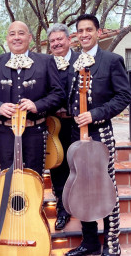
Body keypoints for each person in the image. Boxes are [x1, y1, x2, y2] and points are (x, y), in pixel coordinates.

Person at [65, 14, 131, 256]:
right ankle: (90, 241)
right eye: (80, 31)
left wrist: (95, 114)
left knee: (106, 185)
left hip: (100, 132)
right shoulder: (75, 62)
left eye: (88, 30)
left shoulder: (111, 60)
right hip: (75, 133)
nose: (84, 34)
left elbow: (124, 97)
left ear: (98, 32)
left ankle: (112, 243)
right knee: (79, 187)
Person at [0, 20, 64, 175]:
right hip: (5, 131)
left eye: (21, 33)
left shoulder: (46, 61)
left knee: (34, 177)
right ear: (7, 38)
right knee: (7, 177)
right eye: (12, 34)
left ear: (30, 37)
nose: (16, 37)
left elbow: (58, 94)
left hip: (36, 131)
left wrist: (37, 105)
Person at [47, 23, 80, 230]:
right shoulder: (45, 63)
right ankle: (62, 209)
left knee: (77, 166)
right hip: (53, 125)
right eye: (52, 41)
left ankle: (78, 205)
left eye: (60, 39)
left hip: (77, 124)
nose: (57, 43)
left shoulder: (81, 61)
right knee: (57, 166)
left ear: (69, 40)